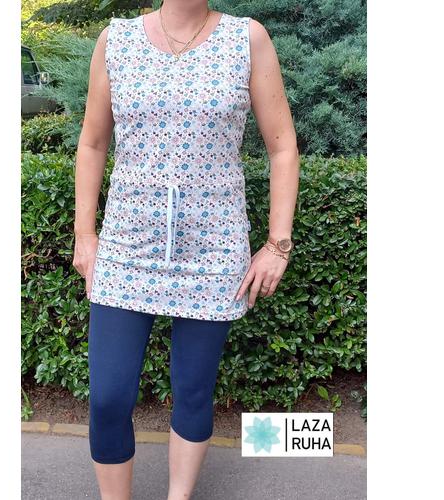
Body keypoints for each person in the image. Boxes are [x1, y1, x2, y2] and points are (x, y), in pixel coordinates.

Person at [72, 0, 299, 498]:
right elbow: (92, 143)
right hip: (127, 248)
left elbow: (283, 147)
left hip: (213, 251)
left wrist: (277, 244)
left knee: (193, 392)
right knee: (108, 398)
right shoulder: (116, 41)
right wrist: (84, 234)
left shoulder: (247, 39)